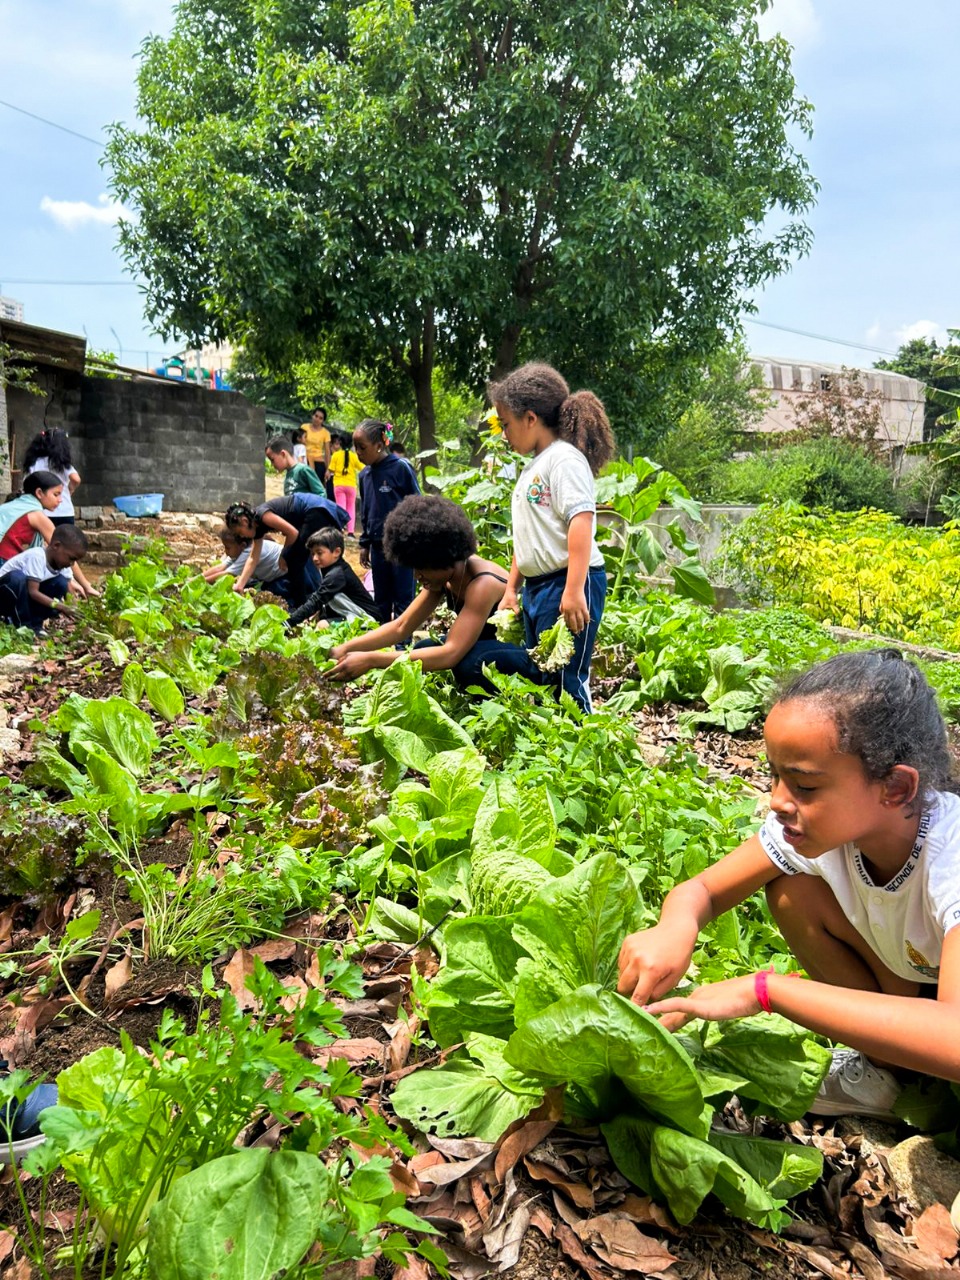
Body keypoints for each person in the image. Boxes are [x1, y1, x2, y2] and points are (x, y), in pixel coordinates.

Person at [618, 649, 960, 1115]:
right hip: (919, 977)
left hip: (947, 1014)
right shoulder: (821, 828)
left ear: (896, 788)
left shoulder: (950, 856)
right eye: (774, 775)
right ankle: (889, 1072)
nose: (777, 801)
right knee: (792, 893)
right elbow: (704, 891)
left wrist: (765, 990)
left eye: (805, 785)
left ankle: (924, 1078)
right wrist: (675, 928)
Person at [489, 361, 615, 713]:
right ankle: (556, 743)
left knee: (566, 682)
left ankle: (585, 740)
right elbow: (528, 537)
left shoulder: (564, 460)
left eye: (506, 424)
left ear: (530, 418)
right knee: (542, 677)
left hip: (568, 582)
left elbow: (581, 522)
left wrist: (573, 591)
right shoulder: (535, 466)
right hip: (539, 587)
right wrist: (511, 589)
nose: (503, 434)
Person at [328, 495, 541, 689]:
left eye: (421, 568)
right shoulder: (445, 577)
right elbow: (401, 626)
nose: (417, 576)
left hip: (522, 654)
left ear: (442, 558)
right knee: (425, 646)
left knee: (471, 663)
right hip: (483, 644)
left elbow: (450, 654)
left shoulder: (482, 584)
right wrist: (344, 649)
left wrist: (371, 660)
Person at [224, 493, 348, 605]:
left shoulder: (263, 516)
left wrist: (283, 555)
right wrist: (240, 585)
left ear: (245, 521)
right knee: (297, 562)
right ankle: (306, 603)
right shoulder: (258, 529)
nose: (241, 537)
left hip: (315, 510)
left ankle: (306, 604)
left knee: (295, 561)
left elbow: (292, 533)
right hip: (308, 516)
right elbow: (253, 558)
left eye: (240, 532)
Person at [354, 419, 420, 620]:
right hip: (377, 546)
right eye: (355, 447)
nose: (358, 453)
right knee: (381, 599)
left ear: (379, 445)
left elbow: (417, 504)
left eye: (362, 447)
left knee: (403, 597)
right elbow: (366, 511)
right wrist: (365, 543)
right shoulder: (364, 475)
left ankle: (403, 638)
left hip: (401, 546)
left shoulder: (400, 468)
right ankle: (382, 635)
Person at [0, 472, 100, 598]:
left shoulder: (17, 505)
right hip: (4, 565)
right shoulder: (38, 516)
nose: (60, 500)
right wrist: (86, 585)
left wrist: (71, 579)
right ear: (39, 493)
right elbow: (66, 549)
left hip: (6, 562)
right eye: (56, 494)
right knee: (56, 582)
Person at [0, 525, 90, 633]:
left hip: (24, 597)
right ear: (56, 546)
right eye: (71, 558)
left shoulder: (62, 564)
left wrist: (75, 609)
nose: (72, 563)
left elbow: (68, 589)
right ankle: (22, 626)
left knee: (61, 583)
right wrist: (62, 607)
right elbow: (33, 592)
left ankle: (36, 625)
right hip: (6, 593)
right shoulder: (37, 556)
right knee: (18, 578)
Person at [287, 528, 382, 627]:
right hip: (352, 614)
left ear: (336, 552)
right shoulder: (330, 569)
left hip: (367, 620)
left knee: (322, 625)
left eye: (319, 553)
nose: (314, 558)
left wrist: (289, 622)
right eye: (312, 554)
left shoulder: (337, 575)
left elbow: (316, 600)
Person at [201, 527, 290, 600]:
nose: (226, 552)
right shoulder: (239, 550)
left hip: (286, 574)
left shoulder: (248, 552)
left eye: (228, 548)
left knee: (278, 595)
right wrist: (197, 578)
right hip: (272, 576)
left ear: (242, 545)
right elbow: (220, 567)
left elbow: (227, 574)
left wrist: (201, 582)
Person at [23, 428, 81, 527]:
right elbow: (76, 479)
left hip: (42, 511)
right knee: (66, 536)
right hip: (64, 511)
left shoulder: (34, 463)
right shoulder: (63, 464)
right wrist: (71, 489)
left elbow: (26, 484)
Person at [327, 432, 364, 535]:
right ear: (352, 444)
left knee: (340, 506)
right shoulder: (354, 456)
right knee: (351, 507)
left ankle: (340, 528)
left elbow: (331, 469)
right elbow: (362, 467)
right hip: (351, 485)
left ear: (340, 443)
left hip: (338, 485)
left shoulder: (335, 455)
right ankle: (351, 532)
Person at [300, 407, 332, 482]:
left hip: (318, 462)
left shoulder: (326, 433)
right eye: (316, 416)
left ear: (323, 421)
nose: (317, 419)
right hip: (304, 460)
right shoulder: (304, 427)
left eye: (320, 418)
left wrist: (328, 469)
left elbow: (327, 452)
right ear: (312, 415)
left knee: (316, 485)